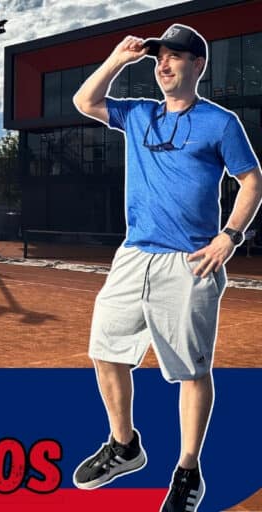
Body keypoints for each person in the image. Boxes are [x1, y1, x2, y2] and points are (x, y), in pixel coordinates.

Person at [71, 23, 262, 512]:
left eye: (174, 56)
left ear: (197, 65)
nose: (163, 64)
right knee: (104, 349)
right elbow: (84, 102)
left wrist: (229, 236)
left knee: (191, 370)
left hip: (191, 261)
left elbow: (251, 180)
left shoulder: (220, 123)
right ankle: (124, 445)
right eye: (159, 57)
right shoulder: (138, 115)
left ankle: (187, 469)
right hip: (135, 254)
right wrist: (117, 59)